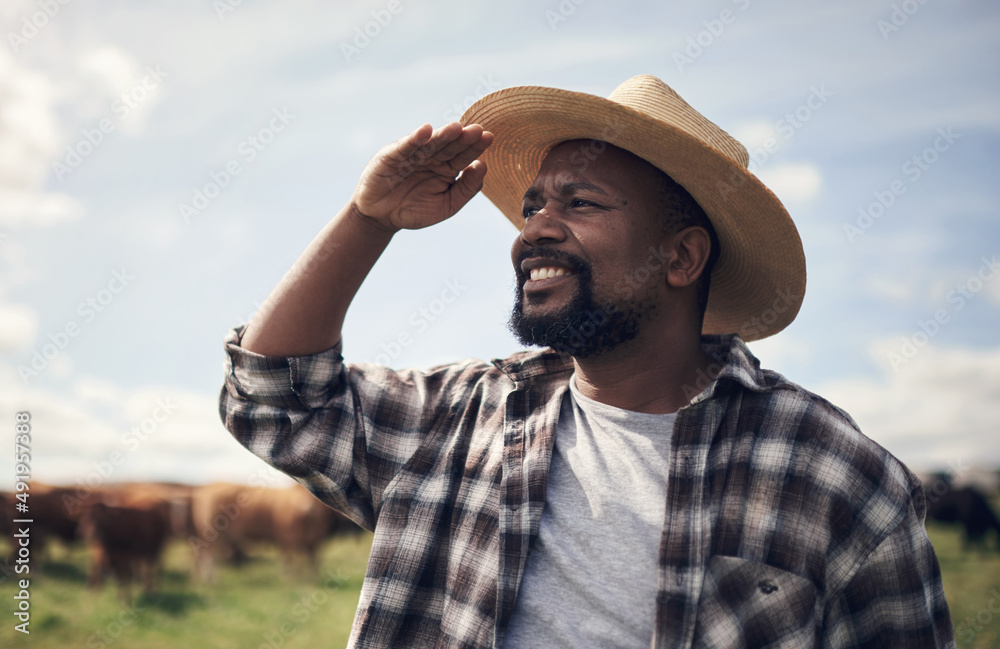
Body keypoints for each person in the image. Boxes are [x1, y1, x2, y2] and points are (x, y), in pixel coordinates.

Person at [218, 75, 955, 648]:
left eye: (581, 204)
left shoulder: (838, 477)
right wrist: (369, 219)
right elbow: (273, 399)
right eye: (534, 203)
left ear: (682, 256)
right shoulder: (458, 418)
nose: (535, 227)